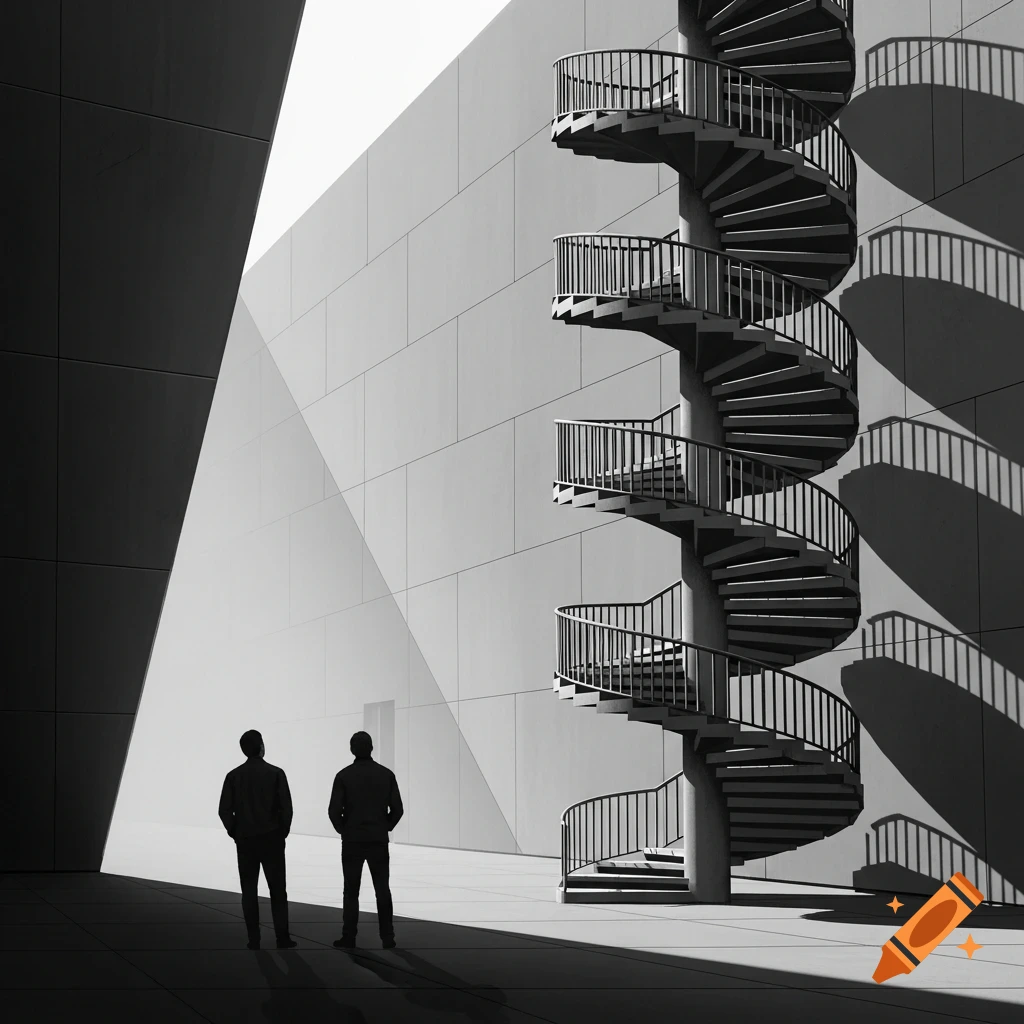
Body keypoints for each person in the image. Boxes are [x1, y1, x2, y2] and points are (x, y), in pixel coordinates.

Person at [218, 729, 297, 950]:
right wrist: (281, 833)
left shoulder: (233, 776)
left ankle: (254, 939)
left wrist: (235, 832)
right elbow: (287, 809)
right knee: (278, 891)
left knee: (249, 891)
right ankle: (283, 937)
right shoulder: (276, 774)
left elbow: (224, 810)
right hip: (272, 840)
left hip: (246, 841)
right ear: (261, 746)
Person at [327, 731, 404, 949]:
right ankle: (387, 937)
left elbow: (334, 811)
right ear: (371, 748)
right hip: (378, 840)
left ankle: (349, 937)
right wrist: (385, 826)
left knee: (351, 891)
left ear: (352, 750)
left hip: (352, 841)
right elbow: (398, 809)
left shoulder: (343, 776)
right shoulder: (386, 775)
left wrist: (345, 830)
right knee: (382, 889)